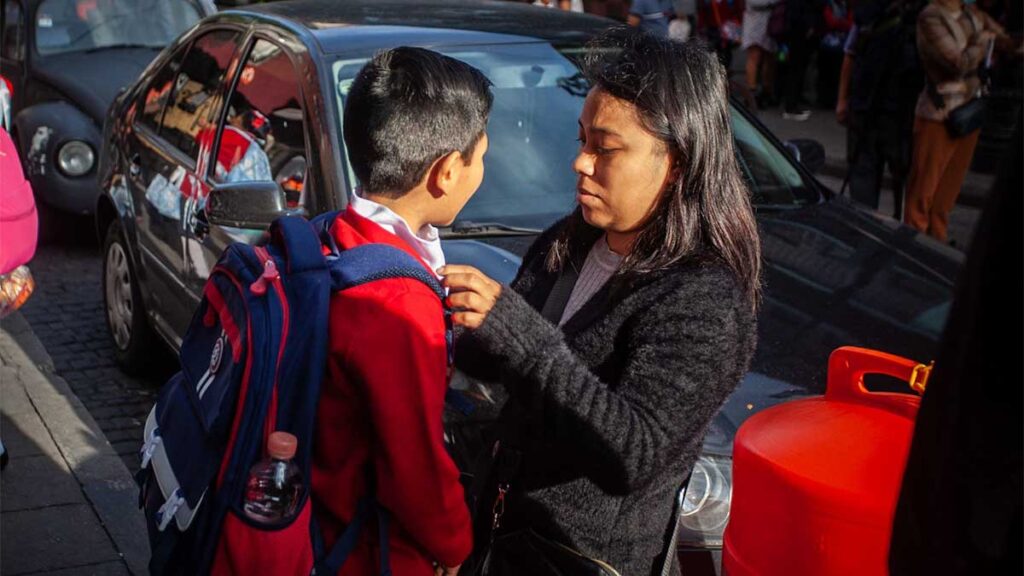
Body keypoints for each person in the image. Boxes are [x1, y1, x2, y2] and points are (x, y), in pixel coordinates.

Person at [444, 28, 760, 576]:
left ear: (677, 160)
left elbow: (631, 454)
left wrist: (516, 332)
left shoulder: (704, 297)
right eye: (581, 140)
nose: (581, 164)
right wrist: (454, 316)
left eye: (605, 148)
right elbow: (495, 363)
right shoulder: (569, 243)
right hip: (502, 537)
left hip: (581, 559)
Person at [311, 47, 493, 576]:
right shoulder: (398, 303)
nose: (482, 171)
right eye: (479, 159)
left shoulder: (335, 234)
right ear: (445, 172)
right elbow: (412, 468)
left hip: (323, 520)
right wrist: (457, 547)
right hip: (370, 550)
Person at [903, 0, 1017, 242]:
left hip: (970, 111)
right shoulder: (931, 16)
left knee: (946, 195)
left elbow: (1009, 44)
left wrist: (998, 39)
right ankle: (913, 246)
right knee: (923, 194)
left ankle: (937, 244)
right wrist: (984, 41)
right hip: (940, 113)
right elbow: (957, 62)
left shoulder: (973, 14)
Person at [836, 0, 925, 216]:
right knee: (864, 182)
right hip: (869, 110)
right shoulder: (871, 14)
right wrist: (843, 100)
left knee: (897, 180)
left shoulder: (916, 18)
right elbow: (851, 54)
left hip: (894, 114)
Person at [743, 0, 781, 108]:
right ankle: (751, 92)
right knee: (755, 56)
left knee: (770, 57)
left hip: (771, 22)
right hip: (755, 21)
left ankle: (766, 90)